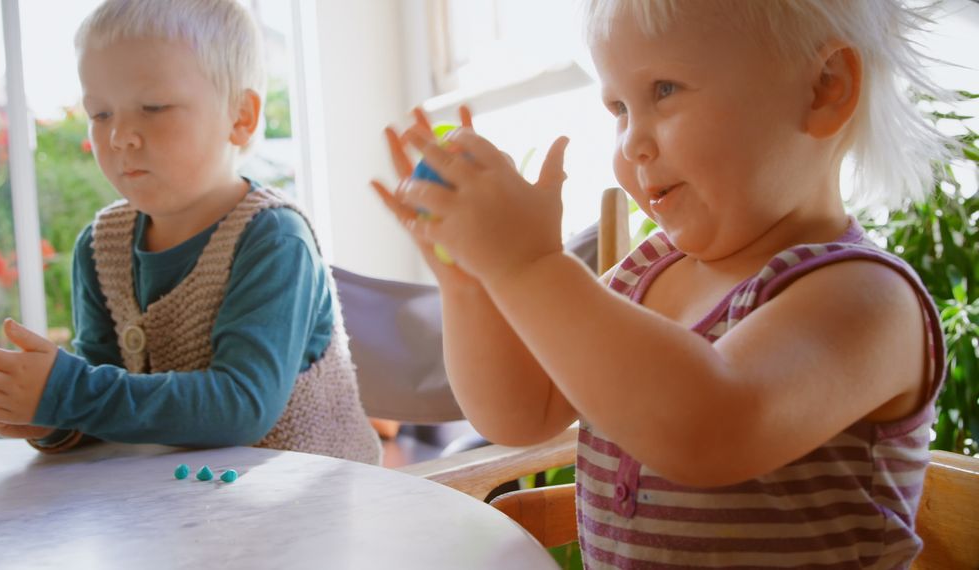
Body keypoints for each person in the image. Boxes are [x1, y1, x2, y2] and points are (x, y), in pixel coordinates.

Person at [373, 0, 948, 565]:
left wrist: (528, 267)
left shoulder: (867, 300)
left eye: (665, 91)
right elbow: (519, 413)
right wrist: (473, 284)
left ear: (824, 86)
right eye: (619, 107)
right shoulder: (645, 272)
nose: (631, 144)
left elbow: (709, 427)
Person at [0, 0, 380, 464]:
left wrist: (73, 391)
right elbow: (109, 401)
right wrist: (53, 416)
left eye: (154, 107)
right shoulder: (100, 247)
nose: (119, 135)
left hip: (311, 509)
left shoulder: (274, 240)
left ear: (240, 117)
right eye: (100, 113)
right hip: (190, 508)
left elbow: (242, 405)